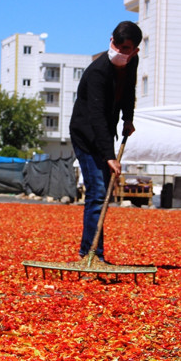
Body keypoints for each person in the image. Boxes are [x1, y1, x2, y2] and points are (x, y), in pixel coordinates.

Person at [69, 21, 142, 263]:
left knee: (100, 193)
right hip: (85, 134)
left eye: (126, 48)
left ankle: (91, 251)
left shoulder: (132, 63)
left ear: (135, 51)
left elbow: (129, 90)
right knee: (98, 192)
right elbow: (96, 115)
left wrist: (128, 119)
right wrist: (109, 155)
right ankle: (91, 253)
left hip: (104, 133)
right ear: (111, 41)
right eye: (116, 45)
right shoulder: (99, 71)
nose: (120, 52)